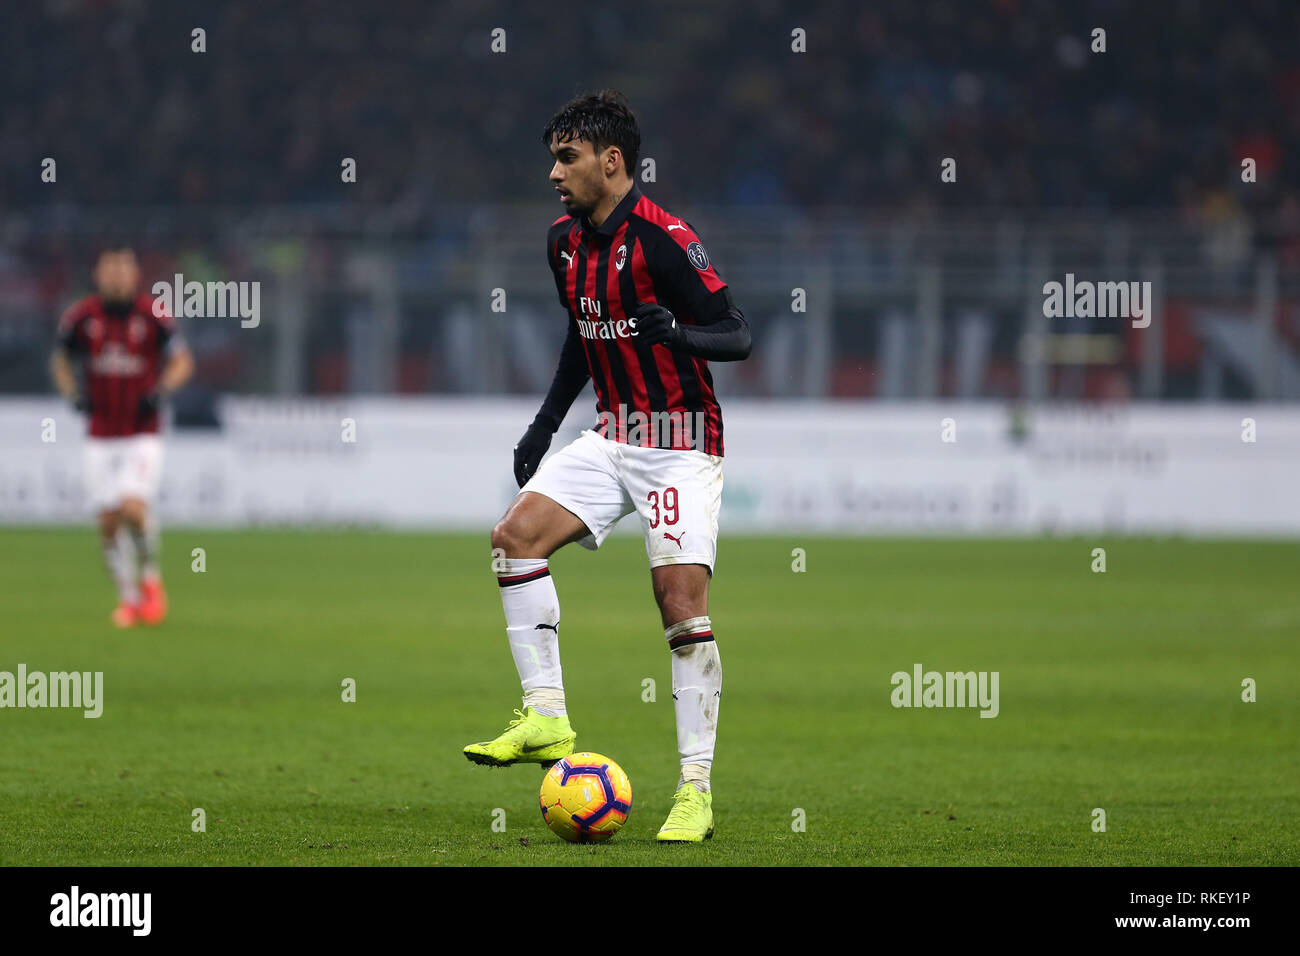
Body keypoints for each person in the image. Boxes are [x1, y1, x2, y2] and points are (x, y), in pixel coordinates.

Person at [463, 91, 751, 843]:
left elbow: (738, 333)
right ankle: (548, 717)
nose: (554, 173)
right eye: (554, 158)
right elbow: (579, 339)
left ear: (611, 161)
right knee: (513, 536)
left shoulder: (664, 238)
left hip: (680, 440)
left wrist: (681, 334)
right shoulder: (562, 241)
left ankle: (695, 792)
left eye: (567, 158)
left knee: (679, 605)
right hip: (613, 433)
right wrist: (545, 423)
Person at [50, 245, 194, 627]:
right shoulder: (81, 318)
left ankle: (151, 580)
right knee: (109, 521)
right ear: (98, 274)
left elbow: (182, 361)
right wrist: (73, 395)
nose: (116, 275)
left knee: (133, 509)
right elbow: (60, 359)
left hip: (141, 431)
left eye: (122, 268)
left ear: (134, 274)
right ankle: (129, 598)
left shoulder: (154, 315)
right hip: (100, 432)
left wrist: (159, 393)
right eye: (109, 268)